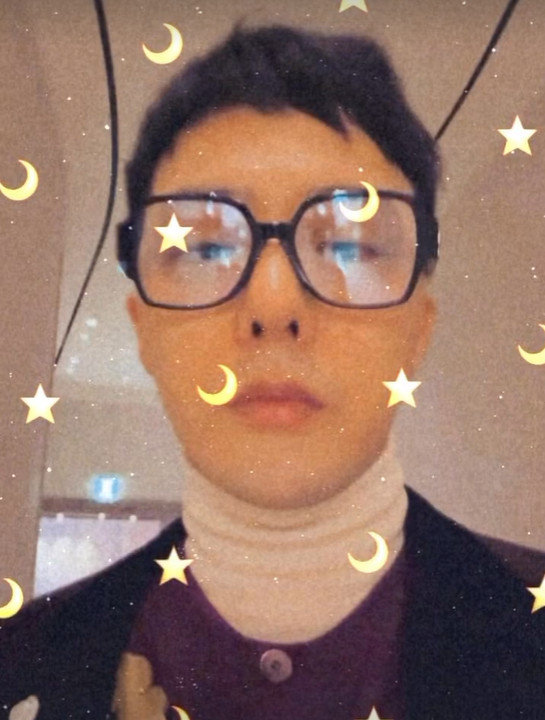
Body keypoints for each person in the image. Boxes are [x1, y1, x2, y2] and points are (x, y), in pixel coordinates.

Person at [2, 20, 545, 720]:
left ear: (417, 328)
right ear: (145, 330)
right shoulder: (22, 665)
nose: (273, 304)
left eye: (349, 246)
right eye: (203, 249)